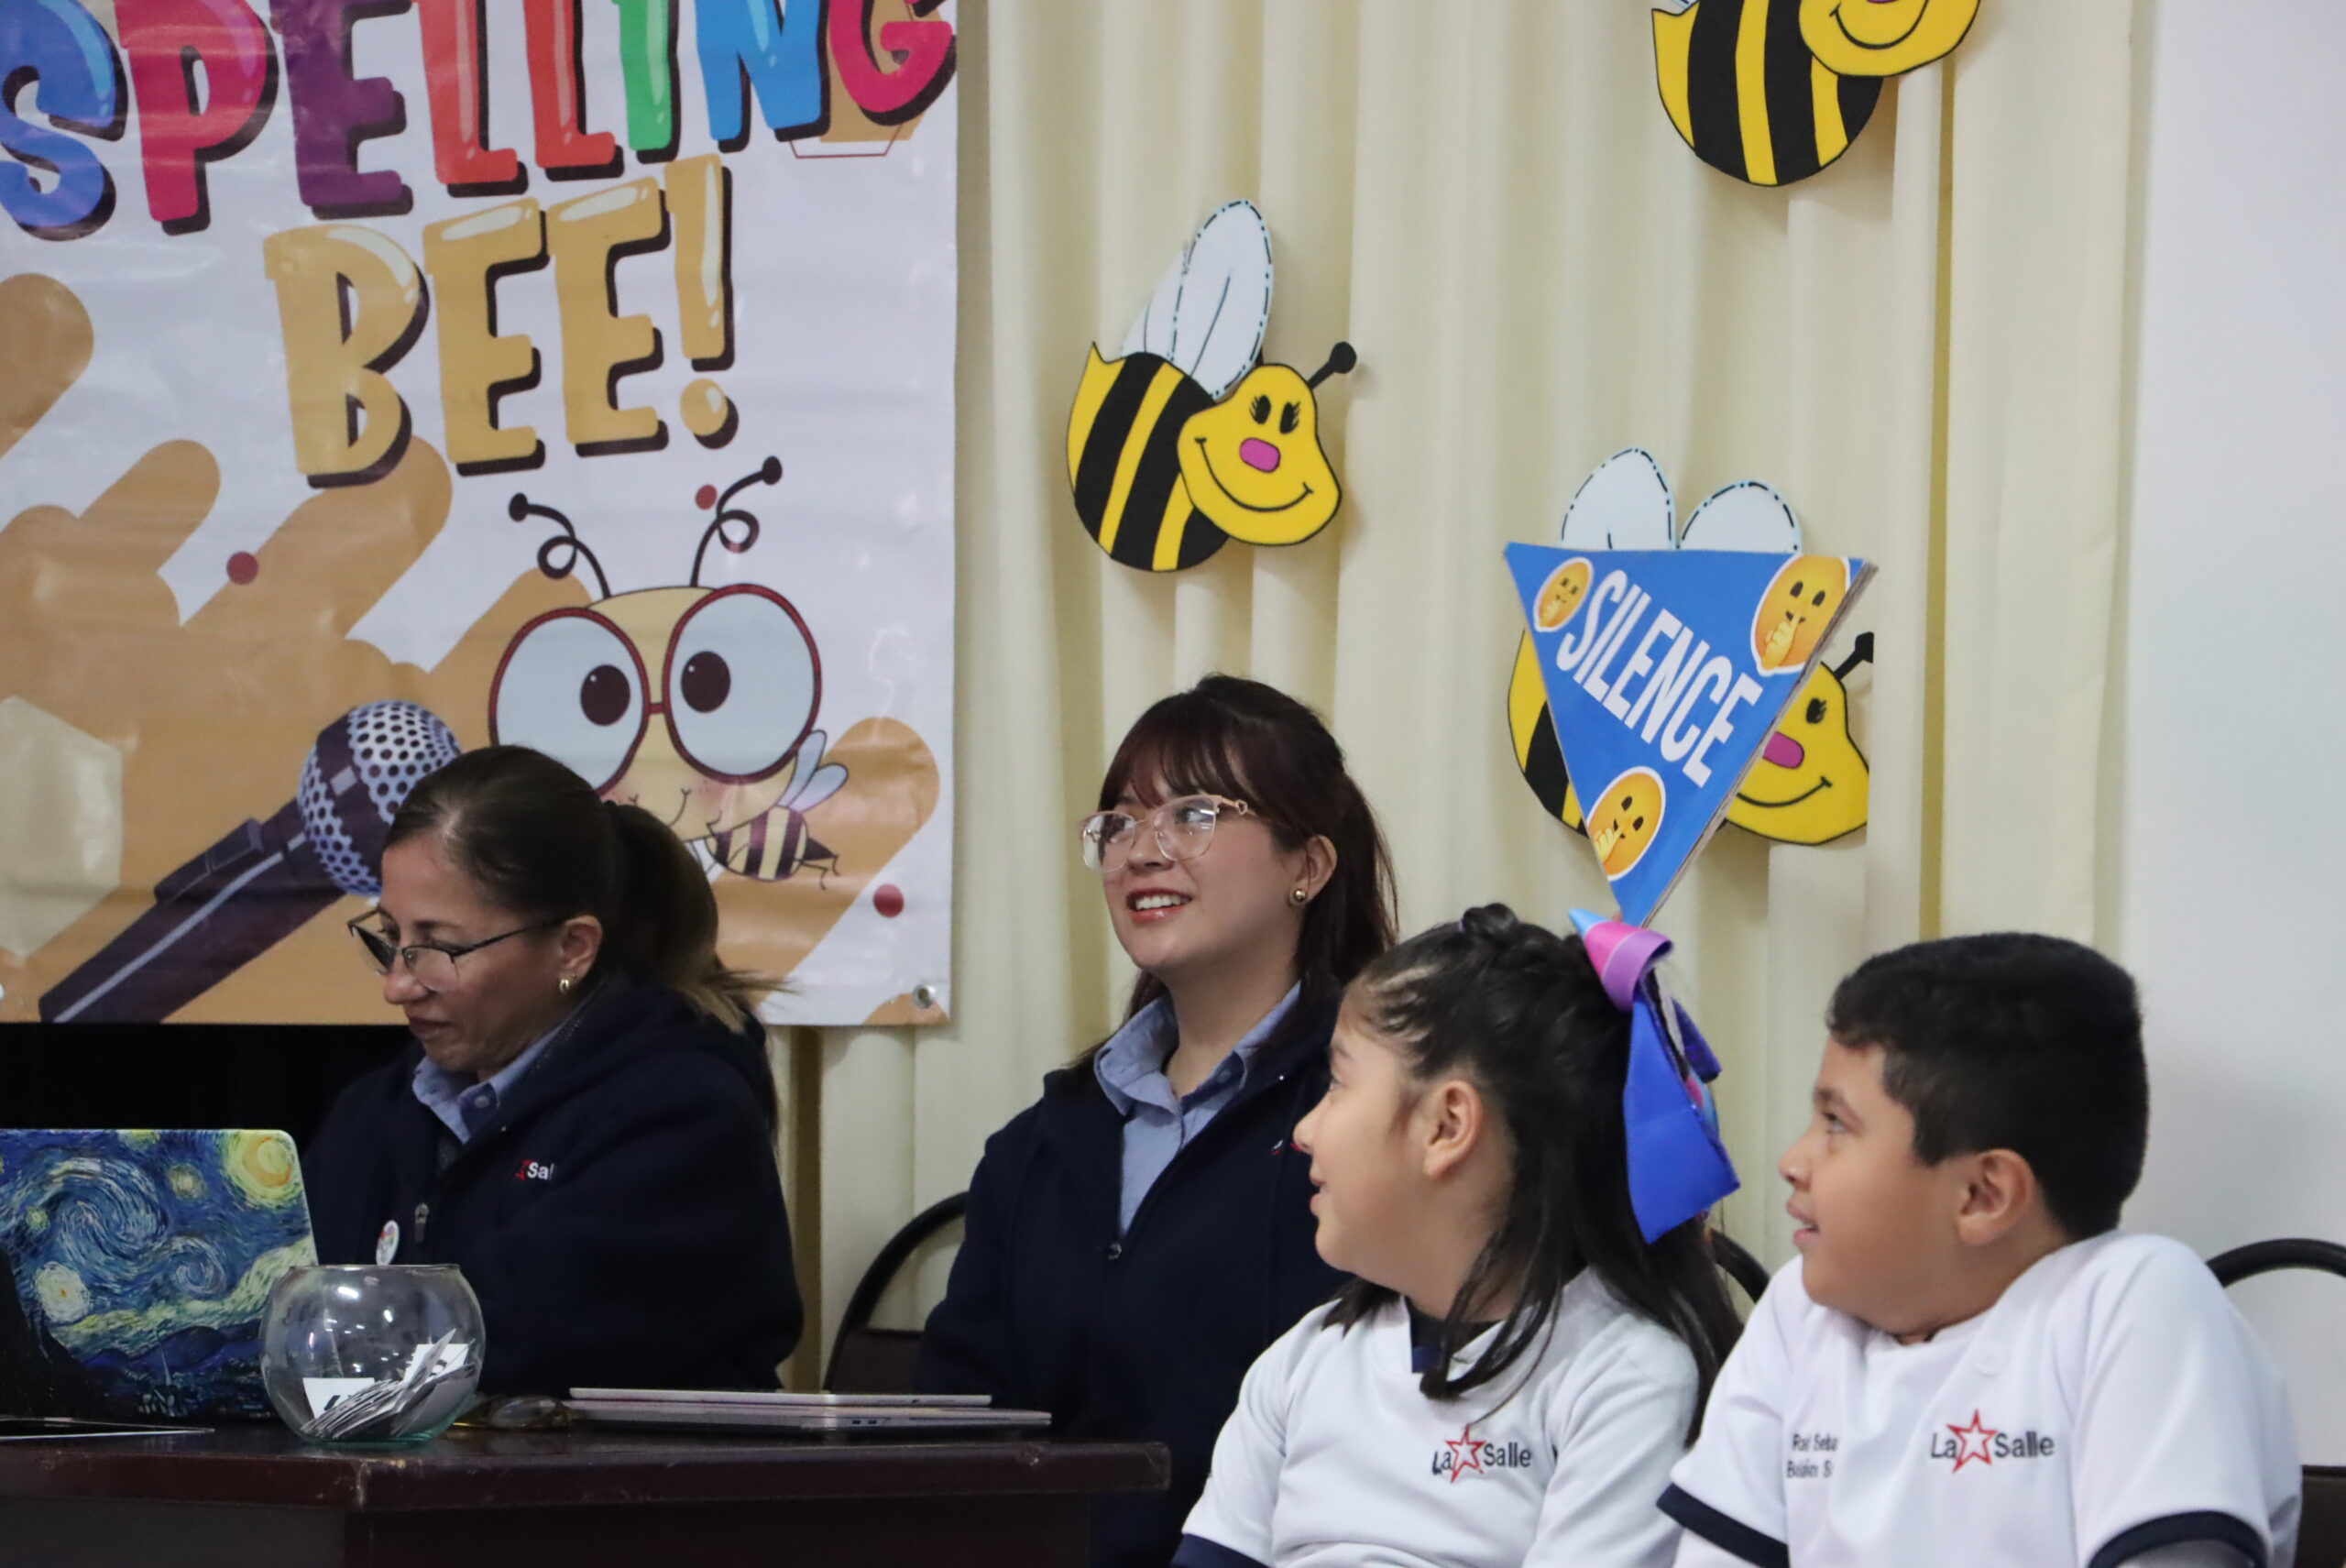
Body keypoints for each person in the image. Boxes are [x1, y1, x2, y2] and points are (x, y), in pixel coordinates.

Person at [917, 675, 1398, 1568]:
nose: (1142, 851)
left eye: (1194, 815)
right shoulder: (1038, 1146)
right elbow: (953, 1431)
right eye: (1120, 823)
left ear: (1308, 865)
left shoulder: (1377, 1117)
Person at [1663, 934, 2301, 1568]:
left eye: (1836, 1124)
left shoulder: (2136, 1302)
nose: (1793, 1160)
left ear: (1982, 1194)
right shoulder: (1801, 1314)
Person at [1178, 905, 1744, 1568]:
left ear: (1447, 1126)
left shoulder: (1626, 1378)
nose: (1303, 1131)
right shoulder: (1304, 1363)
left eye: (1337, 1084)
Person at [304, 745, 802, 1396]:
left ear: (572, 948)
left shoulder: (683, 1114)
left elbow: (514, 1333)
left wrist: (308, 1333)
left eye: (440, 947)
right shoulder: (375, 1110)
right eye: (392, 938)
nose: (397, 985)